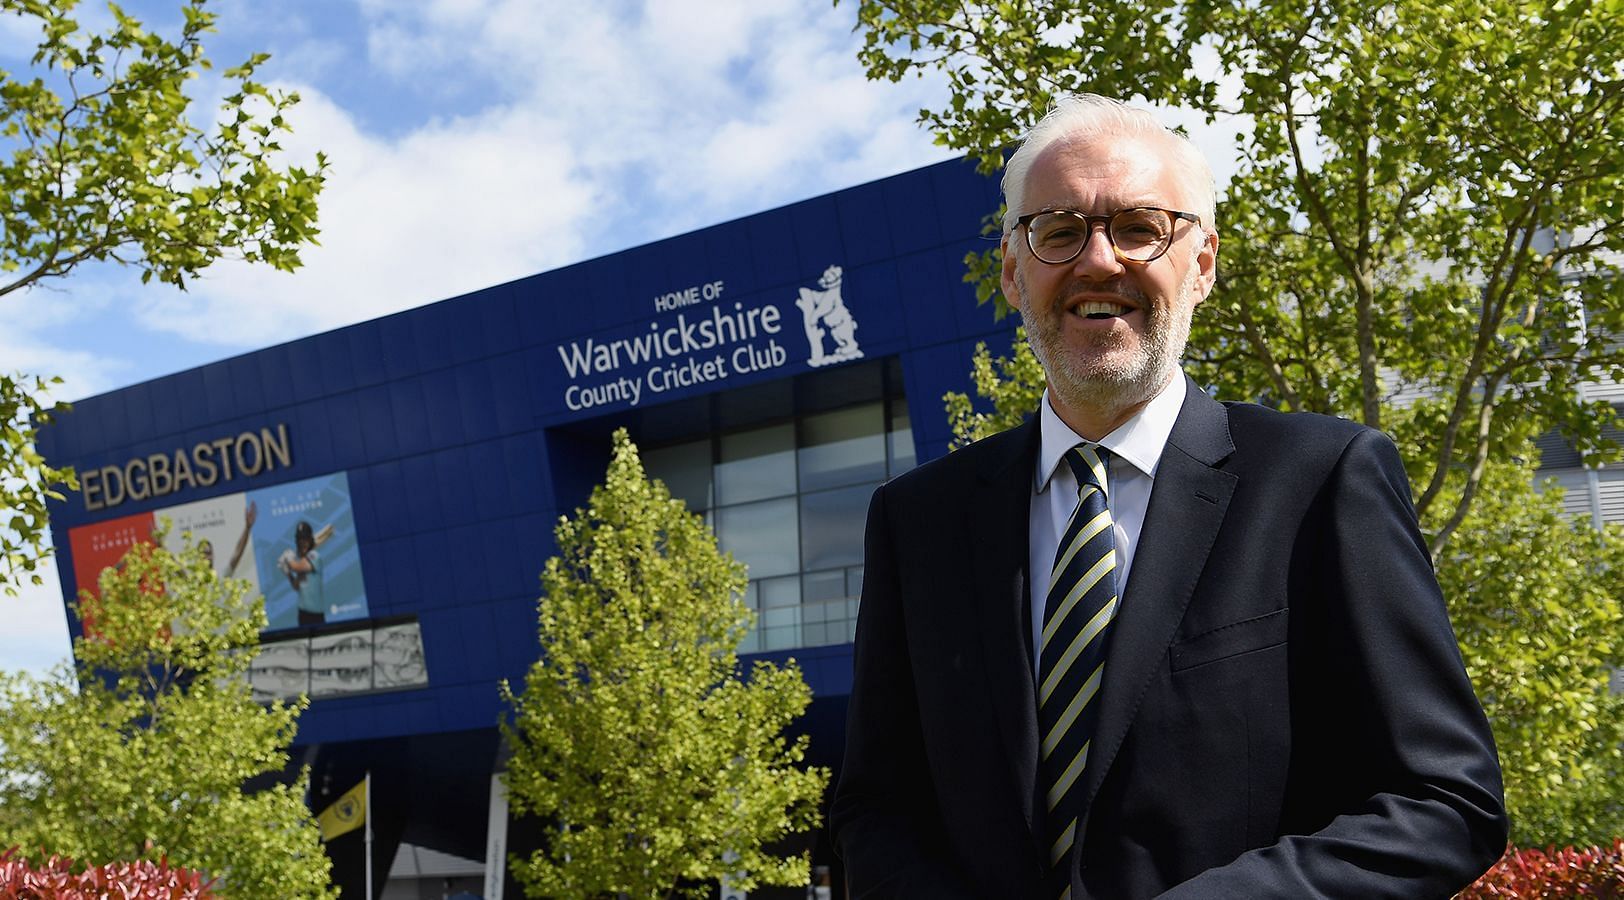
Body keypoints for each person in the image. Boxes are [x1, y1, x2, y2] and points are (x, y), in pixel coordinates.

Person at [830, 94, 1508, 899]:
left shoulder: (1323, 479)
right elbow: (874, 811)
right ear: (1014, 272)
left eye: (1140, 227)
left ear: (1204, 265)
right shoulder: (918, 522)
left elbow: (1443, 800)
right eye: (1058, 231)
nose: (1098, 261)